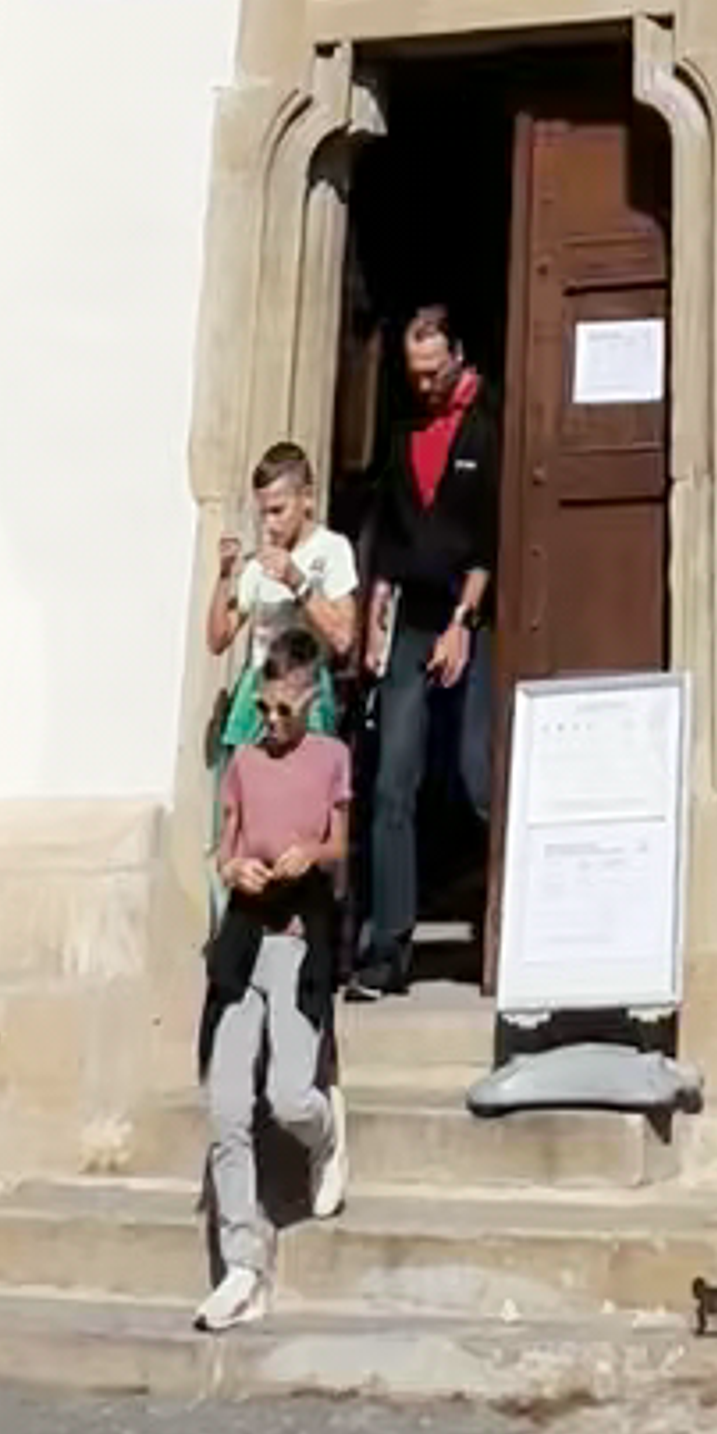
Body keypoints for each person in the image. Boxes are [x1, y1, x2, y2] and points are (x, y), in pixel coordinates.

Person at [194, 627, 353, 1330]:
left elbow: (340, 848)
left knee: (288, 1095)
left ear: (309, 696)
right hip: (243, 942)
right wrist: (235, 868)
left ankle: (327, 1136)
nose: (271, 722)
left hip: (297, 940)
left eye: (284, 709)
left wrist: (310, 854)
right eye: (264, 707)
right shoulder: (243, 762)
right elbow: (222, 847)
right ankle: (242, 1265)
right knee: (228, 1106)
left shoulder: (331, 758)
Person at [352, 295, 499, 997]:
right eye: (415, 373)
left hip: (472, 613)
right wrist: (377, 611)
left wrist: (464, 623)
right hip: (412, 614)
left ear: (459, 357)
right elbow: (386, 529)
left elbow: (494, 533)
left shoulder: (489, 426)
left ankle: (507, 929)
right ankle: (388, 943)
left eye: (434, 373)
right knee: (391, 782)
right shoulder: (404, 426)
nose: (425, 385)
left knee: (478, 777)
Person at [203, 445, 344, 770]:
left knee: (304, 798)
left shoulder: (332, 550)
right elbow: (218, 639)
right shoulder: (259, 563)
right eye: (262, 512)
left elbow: (343, 638)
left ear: (307, 498)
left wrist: (298, 581)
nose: (268, 524)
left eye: (277, 510)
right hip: (258, 688)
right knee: (245, 797)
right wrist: (225, 576)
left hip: (303, 689)